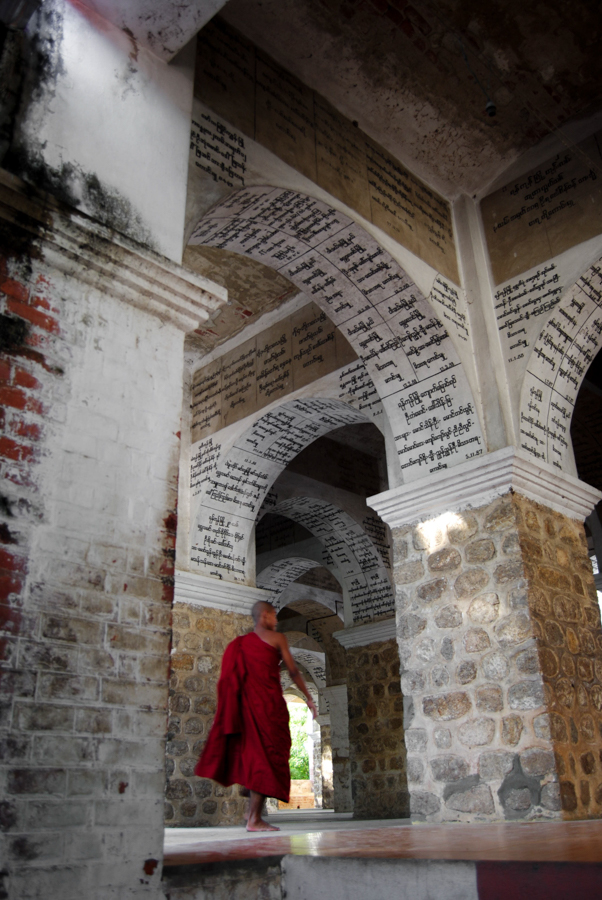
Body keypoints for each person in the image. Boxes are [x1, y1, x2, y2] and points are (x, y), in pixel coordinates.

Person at [194, 599, 318, 831]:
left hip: (247, 708)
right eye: (273, 615)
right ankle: (254, 818)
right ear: (264, 616)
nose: (277, 620)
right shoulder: (277, 639)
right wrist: (308, 697)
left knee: (254, 757)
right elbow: (292, 670)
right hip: (268, 708)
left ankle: (251, 812)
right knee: (267, 758)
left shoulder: (240, 644)